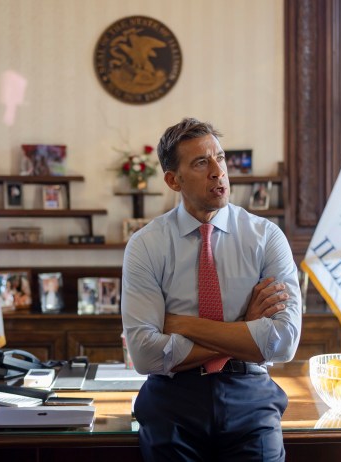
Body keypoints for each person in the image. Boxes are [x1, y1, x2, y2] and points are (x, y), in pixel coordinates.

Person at [121, 117, 302, 461]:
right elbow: (144, 354)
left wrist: (182, 324)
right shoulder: (146, 245)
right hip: (173, 399)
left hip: (249, 393)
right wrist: (243, 332)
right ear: (174, 180)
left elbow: (283, 341)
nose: (218, 171)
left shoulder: (265, 237)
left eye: (220, 158)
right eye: (201, 162)